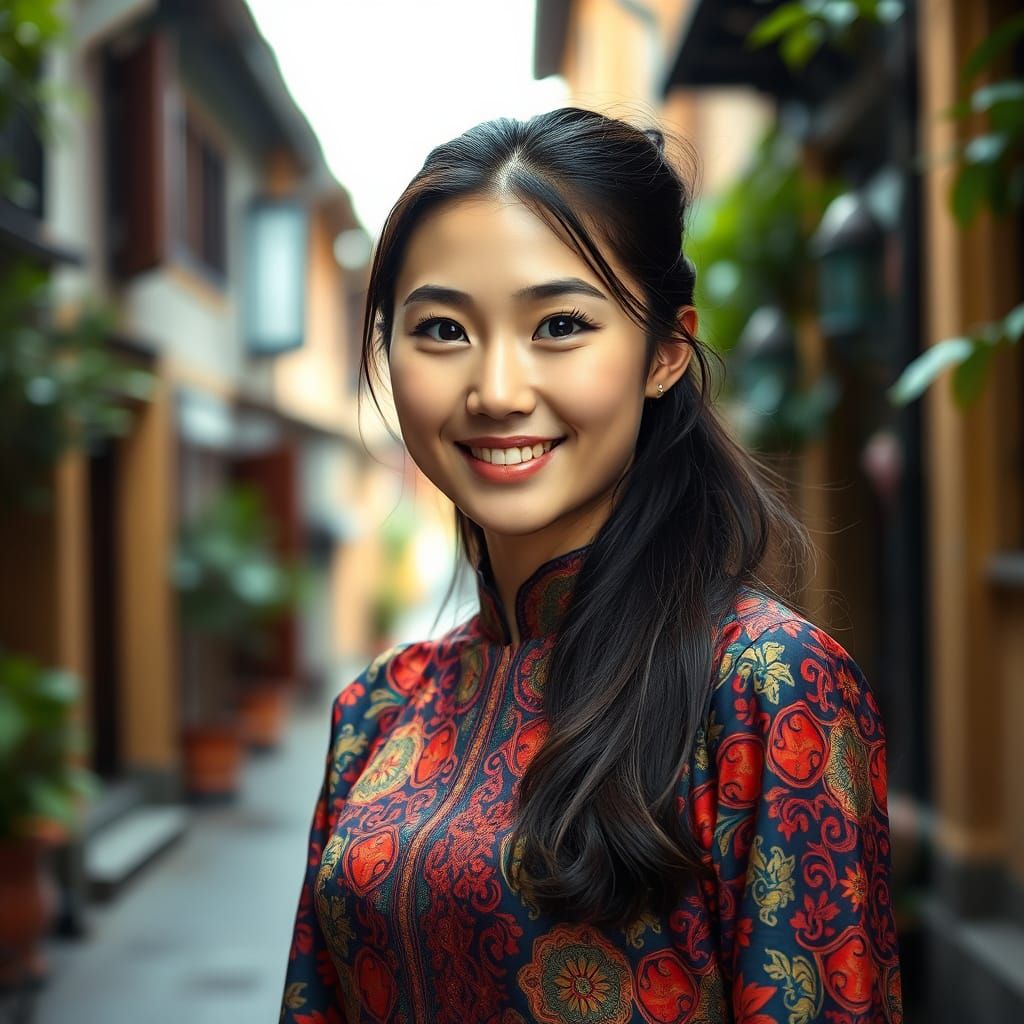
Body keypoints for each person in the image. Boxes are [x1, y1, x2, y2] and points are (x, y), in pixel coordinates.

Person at [279, 107, 902, 1024]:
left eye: (560, 324)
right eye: (443, 330)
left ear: (663, 353)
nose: (496, 390)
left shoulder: (765, 688)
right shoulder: (378, 708)